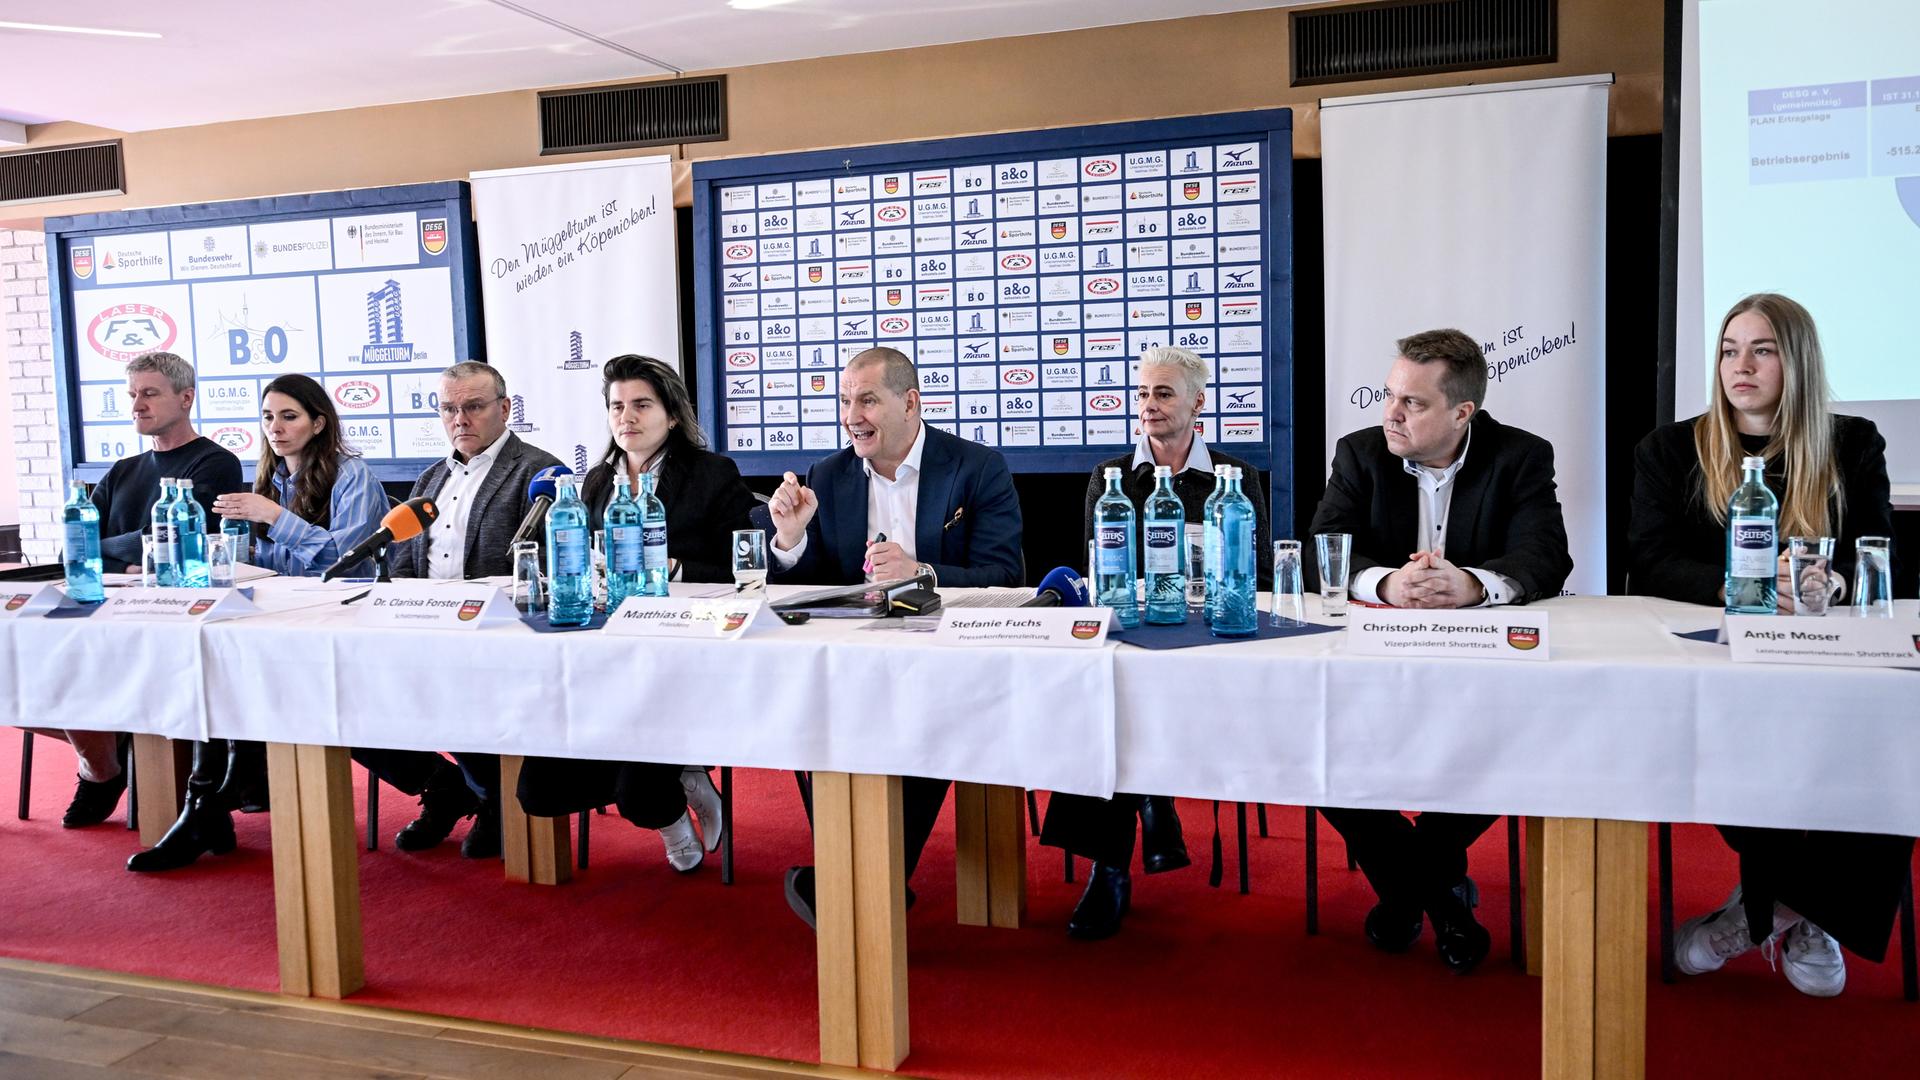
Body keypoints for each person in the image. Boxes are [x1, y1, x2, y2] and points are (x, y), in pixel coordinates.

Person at [1630, 292, 1910, 997]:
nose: (1740, 365)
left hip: (1834, 661)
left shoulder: (1853, 442)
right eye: (1729, 349)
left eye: (1761, 349)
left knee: (1899, 740)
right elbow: (1651, 561)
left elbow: (1880, 553)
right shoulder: (1669, 449)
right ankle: (1805, 911)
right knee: (1725, 742)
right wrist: (1739, 587)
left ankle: (1772, 913)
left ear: (1798, 362)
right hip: (1718, 660)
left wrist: (1828, 586)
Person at [1306, 327, 1573, 973]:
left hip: (1482, 668)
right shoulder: (1360, 453)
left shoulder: (1521, 456)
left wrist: (1475, 584)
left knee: (1515, 746)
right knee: (1317, 746)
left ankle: (1404, 896)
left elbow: (1546, 556)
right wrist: (1387, 583)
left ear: (1462, 413)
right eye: (1389, 396)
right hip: (1379, 665)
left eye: (1413, 403)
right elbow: (1324, 547)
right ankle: (1443, 901)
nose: (1390, 414)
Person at [766, 346, 1023, 927]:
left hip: (946, 660)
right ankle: (864, 880)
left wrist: (921, 574)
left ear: (910, 403)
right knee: (804, 712)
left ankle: (857, 879)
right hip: (855, 662)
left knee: (928, 716)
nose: (852, 415)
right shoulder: (827, 477)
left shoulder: (977, 467)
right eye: (845, 401)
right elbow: (810, 590)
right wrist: (791, 539)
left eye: (867, 400)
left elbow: (1006, 576)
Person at [1039, 346, 1274, 939]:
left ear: (1198, 403)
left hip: (1210, 644)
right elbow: (1098, 572)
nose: (1148, 405)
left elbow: (1262, 576)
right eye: (1142, 394)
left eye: (1163, 394)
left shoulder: (1234, 480)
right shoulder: (1110, 478)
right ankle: (1124, 847)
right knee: (1101, 690)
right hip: (1133, 639)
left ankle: (1124, 844)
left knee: (1132, 697)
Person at [127, 373, 390, 872]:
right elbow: (267, 561)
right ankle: (206, 803)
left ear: (318, 422)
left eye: (289, 416)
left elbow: (344, 559)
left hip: (345, 622)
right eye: (268, 417)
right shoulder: (270, 476)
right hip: (282, 618)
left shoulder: (353, 474)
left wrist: (274, 517)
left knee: (249, 676)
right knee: (212, 662)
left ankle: (209, 806)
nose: (276, 427)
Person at [515, 355, 757, 872]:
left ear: (671, 415)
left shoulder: (712, 474)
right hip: (608, 660)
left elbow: (742, 569)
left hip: (683, 659)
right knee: (537, 791)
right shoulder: (596, 482)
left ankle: (671, 809)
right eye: (617, 406)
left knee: (639, 794)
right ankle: (683, 777)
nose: (626, 416)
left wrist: (675, 567)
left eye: (641, 405)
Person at [349, 361, 563, 860]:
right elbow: (401, 563)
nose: (460, 419)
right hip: (423, 629)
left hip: (497, 636)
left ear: (504, 409)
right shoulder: (430, 477)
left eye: (473, 407)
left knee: (458, 688)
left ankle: (494, 800)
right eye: (449, 409)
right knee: (348, 696)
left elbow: (549, 567)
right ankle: (444, 786)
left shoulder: (539, 472)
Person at [29, 351, 242, 831]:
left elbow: (174, 541)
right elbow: (74, 550)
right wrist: (121, 552)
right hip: (104, 611)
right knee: (40, 663)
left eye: (149, 394)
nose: (136, 406)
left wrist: (109, 551)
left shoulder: (214, 462)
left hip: (171, 617)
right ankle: (103, 769)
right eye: (131, 395)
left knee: (85, 667)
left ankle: (130, 762)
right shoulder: (122, 470)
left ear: (185, 398)